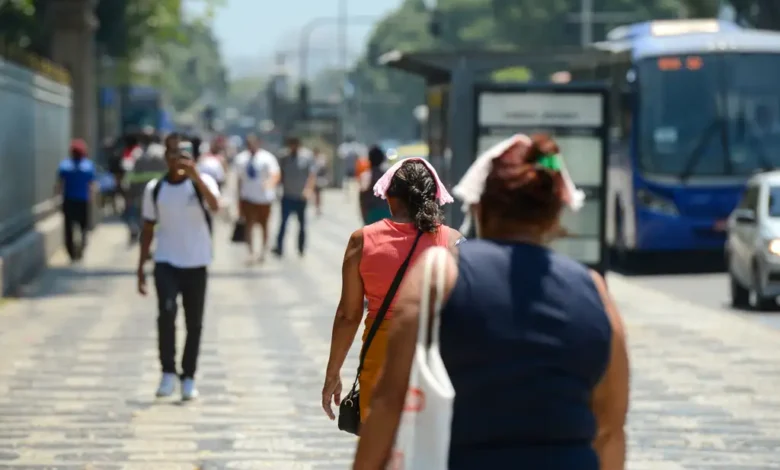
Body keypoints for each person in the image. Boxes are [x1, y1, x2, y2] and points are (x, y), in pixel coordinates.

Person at [352, 134, 629, 470]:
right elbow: (610, 428)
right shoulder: (595, 291)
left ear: (480, 207)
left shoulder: (439, 276)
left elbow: (388, 402)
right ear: (556, 216)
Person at [321, 158, 463, 424]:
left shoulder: (361, 240)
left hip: (381, 358)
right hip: (435, 360)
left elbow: (348, 316)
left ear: (390, 197)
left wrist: (333, 373)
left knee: (381, 450)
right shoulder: (454, 241)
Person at [136, 143, 220, 401]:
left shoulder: (202, 182)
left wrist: (196, 178)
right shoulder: (155, 188)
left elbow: (216, 206)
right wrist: (140, 267)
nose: (179, 160)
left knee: (194, 322)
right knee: (166, 313)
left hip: (196, 262)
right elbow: (148, 228)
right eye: (174, 155)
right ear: (166, 158)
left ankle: (189, 377)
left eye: (184, 156)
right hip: (166, 261)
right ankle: (167, 372)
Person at [237, 134, 280, 263]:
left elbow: (275, 174)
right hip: (248, 197)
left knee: (264, 225)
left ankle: (263, 251)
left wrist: (270, 184)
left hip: (264, 198)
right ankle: (250, 252)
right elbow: (238, 180)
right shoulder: (241, 159)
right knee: (248, 225)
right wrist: (238, 199)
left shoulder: (267, 158)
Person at [272, 136, 316, 258]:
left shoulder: (307, 157)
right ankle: (279, 247)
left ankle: (301, 247)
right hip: (287, 195)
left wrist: (308, 190)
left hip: (300, 196)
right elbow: (279, 174)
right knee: (283, 223)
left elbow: (311, 175)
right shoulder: (284, 157)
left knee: (302, 224)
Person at [56, 139, 96, 261]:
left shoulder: (65, 166)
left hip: (69, 201)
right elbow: (92, 185)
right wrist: (93, 200)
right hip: (83, 201)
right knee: (83, 226)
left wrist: (57, 199)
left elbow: (59, 185)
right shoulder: (88, 166)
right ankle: (82, 247)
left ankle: (71, 252)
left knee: (68, 228)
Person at [124, 141, 168, 243]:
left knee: (144, 219)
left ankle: (146, 240)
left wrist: (130, 195)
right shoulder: (162, 162)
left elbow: (131, 180)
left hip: (142, 196)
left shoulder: (139, 160)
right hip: (157, 197)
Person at [359, 146, 392, 225]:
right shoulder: (388, 176)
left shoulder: (366, 176)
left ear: (369, 159)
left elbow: (362, 195)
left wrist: (364, 216)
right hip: (387, 214)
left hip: (371, 215)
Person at [313, 147, 329, 216]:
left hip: (319, 178)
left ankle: (318, 208)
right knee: (316, 194)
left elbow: (324, 169)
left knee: (318, 194)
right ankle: (317, 207)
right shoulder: (312, 159)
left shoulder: (321, 159)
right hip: (314, 178)